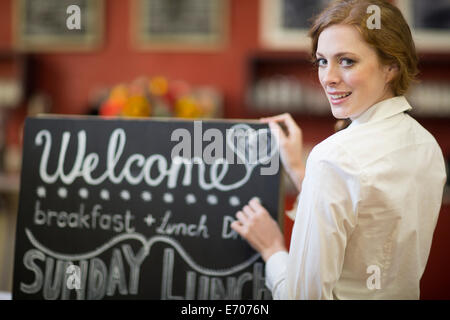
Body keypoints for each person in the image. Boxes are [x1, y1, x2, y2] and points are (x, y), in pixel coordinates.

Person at [231, 0, 447, 299]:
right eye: (322, 61)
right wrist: (297, 168)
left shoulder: (333, 157)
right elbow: (365, 217)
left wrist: (272, 250)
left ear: (391, 67)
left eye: (347, 61)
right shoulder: (427, 145)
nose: (328, 77)